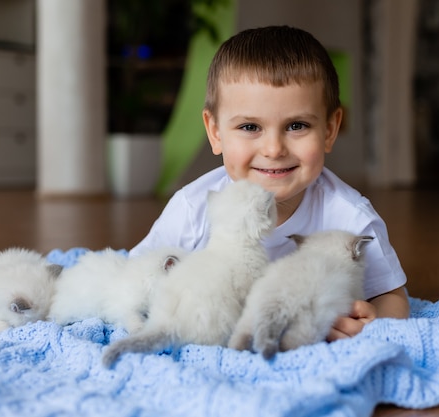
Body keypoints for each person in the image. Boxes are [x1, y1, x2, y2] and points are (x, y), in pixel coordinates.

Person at [130, 25, 409, 340]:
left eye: (297, 125)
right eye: (250, 126)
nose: (274, 149)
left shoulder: (351, 219)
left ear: (330, 130)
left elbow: (393, 297)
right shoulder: (192, 208)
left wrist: (372, 321)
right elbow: (136, 277)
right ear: (215, 132)